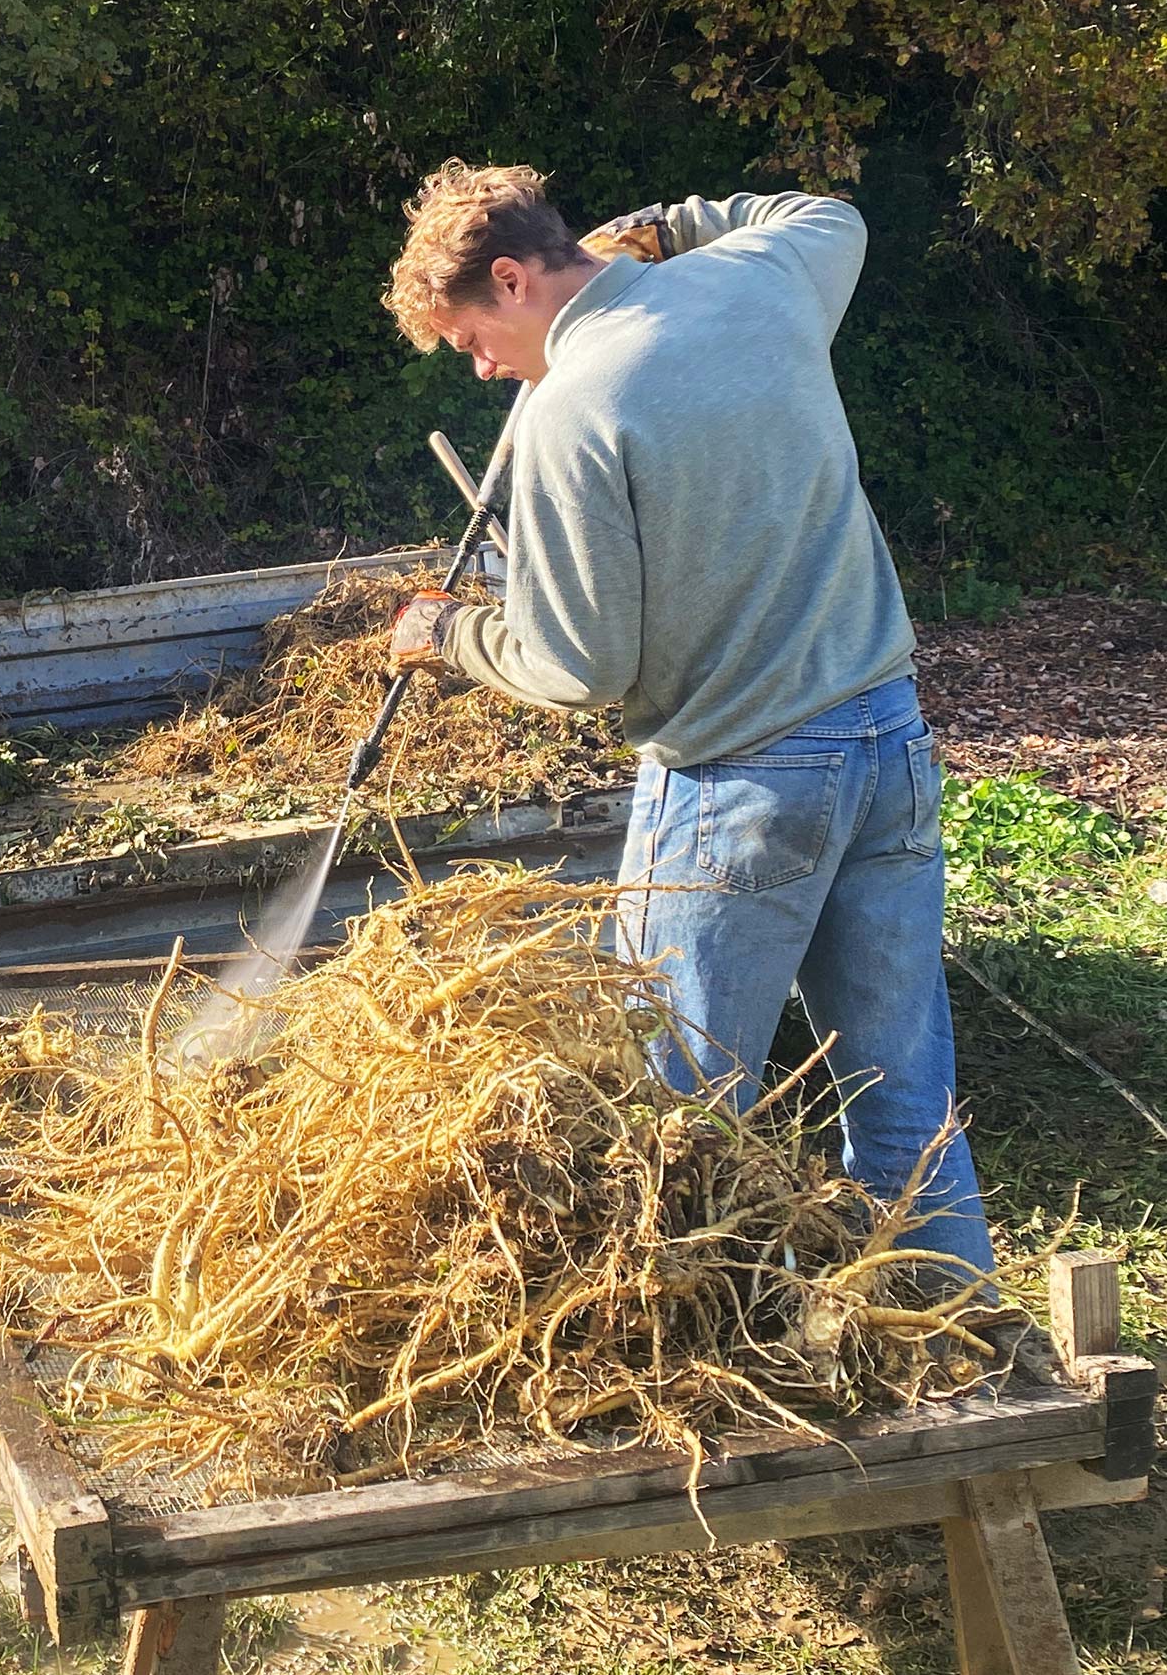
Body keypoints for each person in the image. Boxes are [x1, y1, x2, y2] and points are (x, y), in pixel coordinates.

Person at [380, 163, 994, 1281]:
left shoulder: (571, 410)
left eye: (471, 338)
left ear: (512, 280)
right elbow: (833, 217)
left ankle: (700, 1388)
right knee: (901, 1097)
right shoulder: (752, 284)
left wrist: (449, 636)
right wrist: (664, 228)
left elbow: (577, 665)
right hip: (884, 737)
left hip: (737, 781)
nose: (479, 367)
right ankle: (974, 1350)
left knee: (672, 1120)